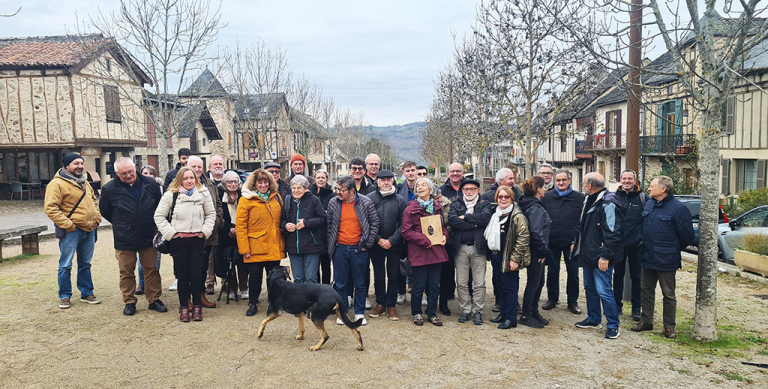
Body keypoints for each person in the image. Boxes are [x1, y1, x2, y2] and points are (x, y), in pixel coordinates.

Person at [100, 158, 166, 316]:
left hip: (148, 234)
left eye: (130, 171)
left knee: (151, 269)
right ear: (117, 173)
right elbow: (105, 211)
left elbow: (158, 205)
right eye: (124, 174)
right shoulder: (109, 189)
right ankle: (129, 301)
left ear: (135, 168)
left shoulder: (150, 184)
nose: (128, 175)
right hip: (124, 236)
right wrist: (122, 223)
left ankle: (154, 299)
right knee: (126, 271)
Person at [631, 176, 694, 339]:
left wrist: (670, 249)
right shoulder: (650, 204)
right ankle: (646, 321)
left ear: (663, 189)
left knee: (668, 293)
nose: (649, 189)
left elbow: (687, 236)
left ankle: (669, 326)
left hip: (666, 259)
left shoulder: (679, 209)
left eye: (652, 186)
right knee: (646, 290)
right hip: (648, 256)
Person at [154, 167, 216, 322]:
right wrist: (171, 234)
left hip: (197, 240)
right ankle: (183, 307)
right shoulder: (171, 195)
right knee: (182, 276)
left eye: (192, 178)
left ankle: (196, 307)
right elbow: (159, 216)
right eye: (185, 178)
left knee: (196, 275)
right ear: (180, 179)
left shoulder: (203, 193)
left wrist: (204, 231)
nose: (189, 181)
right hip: (178, 241)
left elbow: (211, 214)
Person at [44, 153, 102, 309]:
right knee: (65, 265)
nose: (80, 166)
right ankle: (64, 296)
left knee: (85, 264)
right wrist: (69, 225)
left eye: (81, 163)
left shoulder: (85, 183)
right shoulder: (56, 184)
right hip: (71, 231)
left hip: (89, 229)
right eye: (76, 163)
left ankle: (87, 292)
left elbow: (94, 201)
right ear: (67, 165)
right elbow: (50, 208)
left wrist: (97, 219)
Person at [572, 172, 623, 339]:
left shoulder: (608, 203)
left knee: (604, 291)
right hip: (588, 253)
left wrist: (606, 256)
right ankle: (594, 319)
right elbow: (582, 225)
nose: (582, 186)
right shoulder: (588, 199)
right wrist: (576, 242)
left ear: (589, 186)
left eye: (584, 183)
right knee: (590, 288)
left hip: (601, 256)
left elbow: (613, 232)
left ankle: (613, 325)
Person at [326, 175, 379, 325]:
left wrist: (367, 244)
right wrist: (332, 246)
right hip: (340, 249)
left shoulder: (365, 202)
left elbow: (374, 223)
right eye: (337, 189)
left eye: (342, 190)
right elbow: (329, 226)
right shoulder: (333, 203)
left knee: (360, 283)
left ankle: (360, 313)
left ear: (352, 191)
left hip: (359, 249)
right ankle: (342, 314)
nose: (338, 192)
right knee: (340, 284)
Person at [237, 169, 285, 317]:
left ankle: (273, 303)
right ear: (254, 184)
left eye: (266, 182)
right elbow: (240, 225)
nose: (263, 185)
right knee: (255, 277)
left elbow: (283, 219)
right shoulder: (246, 199)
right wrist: (244, 248)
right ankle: (253, 303)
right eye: (260, 182)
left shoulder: (277, 197)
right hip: (255, 246)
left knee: (274, 278)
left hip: (273, 245)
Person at [402, 177, 449, 327]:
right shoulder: (410, 209)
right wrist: (424, 240)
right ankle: (416, 313)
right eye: (418, 186)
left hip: (436, 252)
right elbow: (406, 232)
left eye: (424, 185)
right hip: (419, 253)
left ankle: (432, 313)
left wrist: (444, 237)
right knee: (419, 286)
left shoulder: (437, 207)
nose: (420, 187)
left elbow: (443, 228)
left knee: (435, 286)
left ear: (430, 189)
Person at [484, 185, 530, 329]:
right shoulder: (496, 214)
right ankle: (503, 314)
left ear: (512, 198)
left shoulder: (517, 216)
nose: (503, 199)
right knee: (500, 286)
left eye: (506, 196)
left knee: (510, 288)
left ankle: (511, 318)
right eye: (500, 196)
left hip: (509, 257)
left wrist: (515, 259)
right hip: (496, 256)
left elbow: (523, 238)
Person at [448, 179, 492, 325]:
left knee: (479, 282)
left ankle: (477, 311)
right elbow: (453, 220)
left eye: (472, 189)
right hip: (460, 248)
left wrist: (466, 217)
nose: (469, 192)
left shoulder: (484, 204)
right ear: (462, 191)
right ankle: (465, 310)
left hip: (478, 248)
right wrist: (474, 225)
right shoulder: (456, 204)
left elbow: (486, 218)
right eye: (466, 189)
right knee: (461, 282)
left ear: (478, 190)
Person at [365, 169, 407, 321]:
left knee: (394, 276)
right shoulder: (369, 199)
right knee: (379, 276)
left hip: (394, 245)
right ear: (377, 182)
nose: (386, 182)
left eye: (389, 179)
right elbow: (366, 223)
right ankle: (380, 303)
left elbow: (404, 224)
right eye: (383, 180)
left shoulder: (400, 201)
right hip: (376, 245)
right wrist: (378, 239)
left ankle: (391, 306)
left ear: (393, 181)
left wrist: (391, 240)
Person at [542, 169, 585, 315]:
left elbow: (582, 221)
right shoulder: (547, 197)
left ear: (570, 180)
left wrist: (577, 240)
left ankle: (572, 302)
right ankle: (552, 299)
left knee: (573, 274)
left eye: (564, 180)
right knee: (552, 272)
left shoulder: (579, 198)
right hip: (552, 241)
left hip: (571, 242)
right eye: (558, 180)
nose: (561, 183)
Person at [481, 167, 521, 313]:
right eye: (510, 178)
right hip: (495, 249)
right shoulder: (487, 197)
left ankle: (512, 308)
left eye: (513, 178)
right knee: (497, 277)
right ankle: (500, 303)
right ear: (500, 181)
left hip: (510, 250)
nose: (513, 181)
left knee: (510, 280)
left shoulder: (519, 197)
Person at [188, 156, 224, 307]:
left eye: (199, 167)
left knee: (202, 266)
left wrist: (217, 222)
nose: (197, 170)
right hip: (187, 235)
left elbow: (218, 205)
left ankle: (200, 295)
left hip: (207, 234)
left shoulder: (210, 184)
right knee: (187, 267)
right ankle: (187, 299)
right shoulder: (179, 184)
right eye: (193, 167)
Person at [614, 169, 649, 321]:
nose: (627, 181)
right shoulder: (613, 197)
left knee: (636, 277)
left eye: (630, 178)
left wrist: (642, 239)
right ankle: (616, 305)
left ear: (635, 181)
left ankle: (636, 308)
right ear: (620, 180)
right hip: (618, 243)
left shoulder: (643, 199)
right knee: (617, 276)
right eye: (624, 178)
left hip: (636, 245)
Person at [518, 177, 551, 329]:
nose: (545, 189)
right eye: (544, 187)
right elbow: (535, 233)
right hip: (536, 250)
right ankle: (526, 315)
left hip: (534, 249)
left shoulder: (527, 203)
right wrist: (544, 251)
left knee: (538, 281)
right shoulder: (535, 207)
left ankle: (533, 311)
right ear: (538, 189)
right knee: (534, 283)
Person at [281, 175, 326, 284]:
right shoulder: (287, 200)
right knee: (298, 278)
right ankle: (299, 301)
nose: (296, 191)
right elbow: (282, 220)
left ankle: (312, 300)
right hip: (293, 247)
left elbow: (323, 219)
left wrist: (306, 222)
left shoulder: (314, 200)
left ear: (306, 189)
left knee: (311, 278)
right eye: (293, 188)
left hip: (311, 246)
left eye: (299, 188)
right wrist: (286, 225)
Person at [217, 171, 248, 300]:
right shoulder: (219, 196)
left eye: (235, 181)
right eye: (229, 181)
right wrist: (228, 229)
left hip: (241, 233)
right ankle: (231, 288)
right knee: (227, 261)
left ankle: (244, 288)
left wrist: (237, 229)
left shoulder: (243, 196)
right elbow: (218, 215)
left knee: (242, 262)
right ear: (224, 183)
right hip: (225, 234)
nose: (233, 184)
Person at [137, 165, 164, 295]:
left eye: (150, 173)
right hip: (141, 228)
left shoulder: (161, 188)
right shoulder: (138, 187)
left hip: (156, 227)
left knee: (155, 259)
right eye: (145, 173)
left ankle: (152, 284)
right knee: (140, 260)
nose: (147, 175)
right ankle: (141, 283)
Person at [310, 169, 334, 284]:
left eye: (323, 178)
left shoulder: (332, 195)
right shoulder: (309, 193)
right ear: (314, 179)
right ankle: (316, 289)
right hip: (313, 235)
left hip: (326, 235)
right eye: (318, 177)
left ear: (326, 179)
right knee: (314, 266)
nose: (320, 180)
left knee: (326, 265)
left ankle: (326, 287)